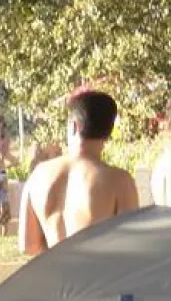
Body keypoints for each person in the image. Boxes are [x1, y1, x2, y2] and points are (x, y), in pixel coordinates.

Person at [19, 91, 141, 255]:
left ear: (74, 125)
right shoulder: (119, 181)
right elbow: (130, 247)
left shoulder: (38, 176)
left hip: (53, 276)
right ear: (109, 130)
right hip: (97, 277)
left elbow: (27, 245)